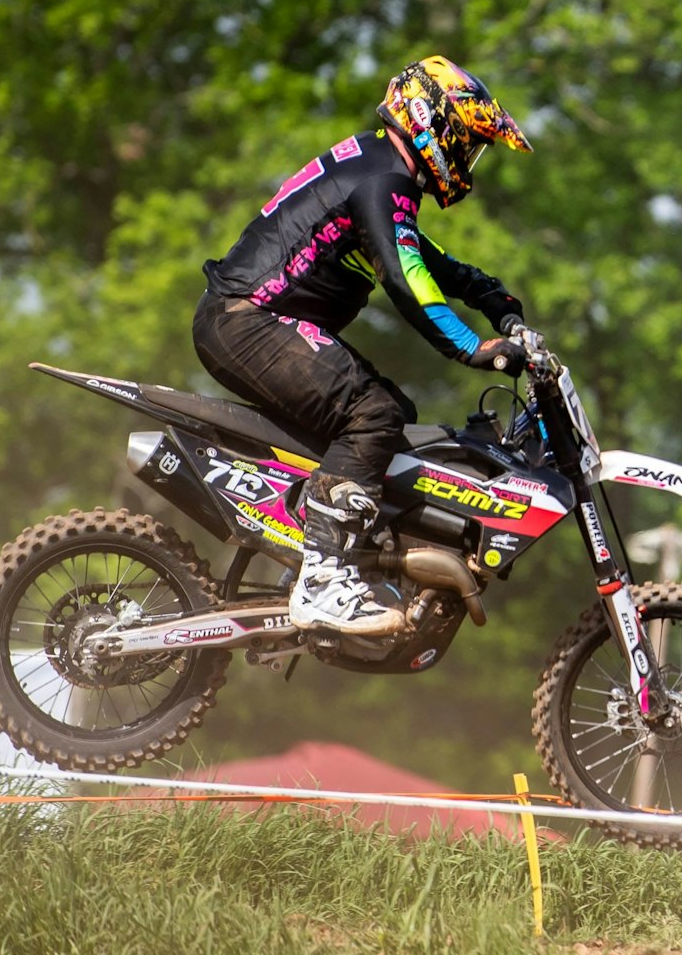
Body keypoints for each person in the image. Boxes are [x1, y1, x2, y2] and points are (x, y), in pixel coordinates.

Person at [194, 56, 533, 635]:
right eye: (468, 143)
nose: (467, 161)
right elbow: (406, 277)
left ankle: (325, 547)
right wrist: (473, 348)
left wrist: (494, 296)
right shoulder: (385, 178)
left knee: (394, 413)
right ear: (435, 122)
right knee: (371, 413)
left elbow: (426, 257)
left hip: (249, 319)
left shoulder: (378, 167)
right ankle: (323, 577)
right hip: (249, 319)